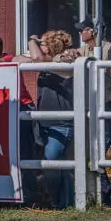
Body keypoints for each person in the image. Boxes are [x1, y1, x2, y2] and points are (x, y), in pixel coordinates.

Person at [74, 19, 111, 206]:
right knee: (95, 150)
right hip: (99, 105)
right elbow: (63, 61)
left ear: (92, 31)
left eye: (83, 30)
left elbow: (110, 80)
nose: (80, 33)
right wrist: (67, 56)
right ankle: (105, 194)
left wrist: (87, 81)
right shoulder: (86, 51)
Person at [28, 30, 78, 208]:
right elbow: (21, 59)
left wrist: (31, 40)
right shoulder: (46, 61)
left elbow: (38, 59)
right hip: (44, 122)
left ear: (50, 47)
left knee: (50, 162)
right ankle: (65, 203)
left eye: (42, 44)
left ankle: (58, 201)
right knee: (58, 165)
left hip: (61, 123)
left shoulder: (65, 62)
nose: (38, 47)